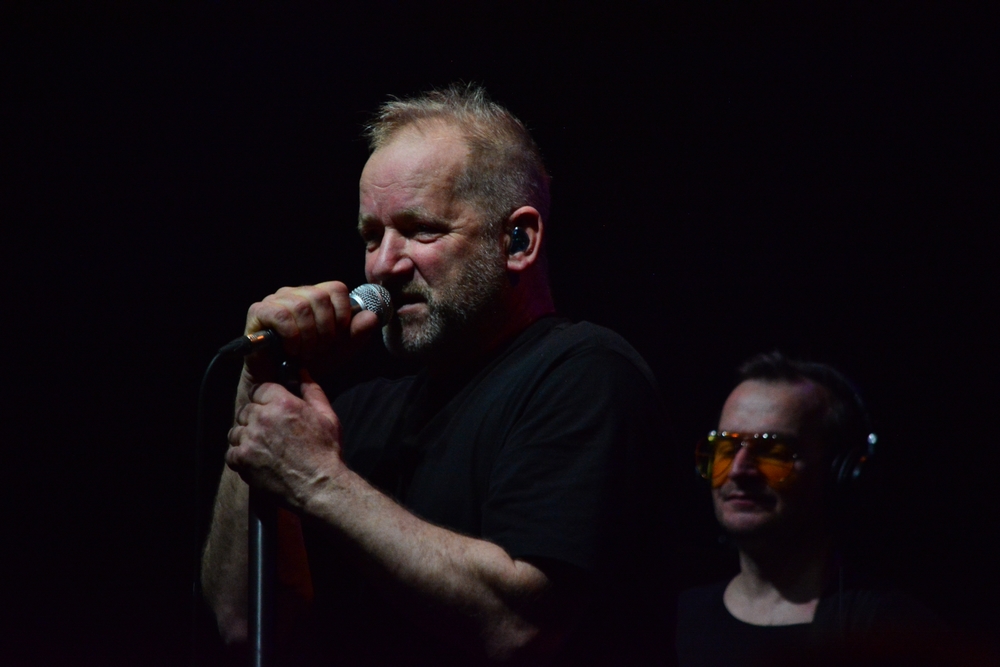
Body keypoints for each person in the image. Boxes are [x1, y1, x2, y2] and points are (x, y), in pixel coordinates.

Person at [201, 84, 671, 666]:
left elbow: (519, 626)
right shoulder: (354, 413)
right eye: (371, 236)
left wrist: (319, 480)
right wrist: (261, 379)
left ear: (518, 240)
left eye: (421, 229)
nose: (383, 265)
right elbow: (243, 623)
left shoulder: (585, 374)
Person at [675, 352, 942, 667]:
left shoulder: (894, 633)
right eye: (726, 449)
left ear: (838, 472)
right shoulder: (674, 620)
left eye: (773, 451)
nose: (738, 471)